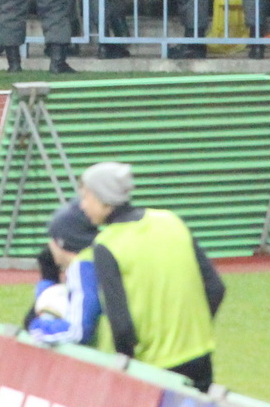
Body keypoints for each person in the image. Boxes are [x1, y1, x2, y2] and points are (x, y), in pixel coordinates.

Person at [66, 161, 225, 391]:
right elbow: (215, 288)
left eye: (86, 197)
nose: (82, 205)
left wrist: (129, 367)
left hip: (151, 369)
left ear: (103, 199)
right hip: (199, 355)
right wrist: (191, 331)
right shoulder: (170, 221)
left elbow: (121, 326)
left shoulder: (107, 244)